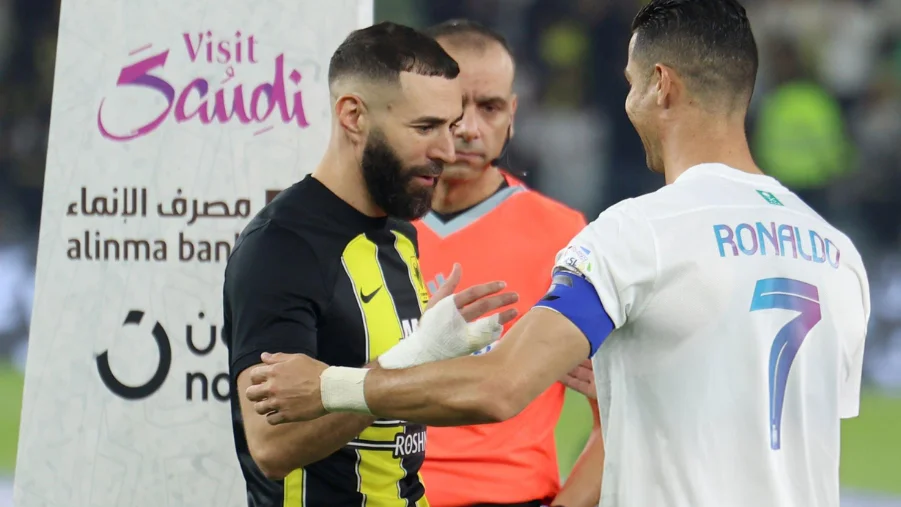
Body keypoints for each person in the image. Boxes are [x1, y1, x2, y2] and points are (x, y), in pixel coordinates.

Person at [244, 2, 872, 507]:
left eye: (629, 86)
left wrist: (328, 385)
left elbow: (501, 386)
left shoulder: (639, 233)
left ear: (661, 86)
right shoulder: (839, 255)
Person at [222, 21, 520, 507]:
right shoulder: (281, 247)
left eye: (449, 126)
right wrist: (413, 357)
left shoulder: (400, 233)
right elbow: (271, 449)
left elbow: (403, 407)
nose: (447, 150)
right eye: (424, 128)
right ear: (353, 116)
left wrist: (438, 358)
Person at [411, 19, 603, 507]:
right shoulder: (362, 229)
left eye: (490, 107)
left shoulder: (565, 237)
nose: (470, 128)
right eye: (453, 108)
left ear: (513, 114)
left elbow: (621, 415)